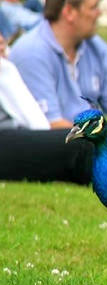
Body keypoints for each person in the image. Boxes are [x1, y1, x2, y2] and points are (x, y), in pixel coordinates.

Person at [8, 0, 107, 134]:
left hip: (84, 149)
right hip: (52, 152)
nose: (99, 13)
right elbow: (49, 126)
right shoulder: (31, 53)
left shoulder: (98, 49)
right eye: (93, 8)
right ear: (69, 12)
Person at [0, 32, 95, 184]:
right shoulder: (32, 50)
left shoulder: (97, 50)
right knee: (83, 145)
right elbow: (42, 123)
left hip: (13, 132)